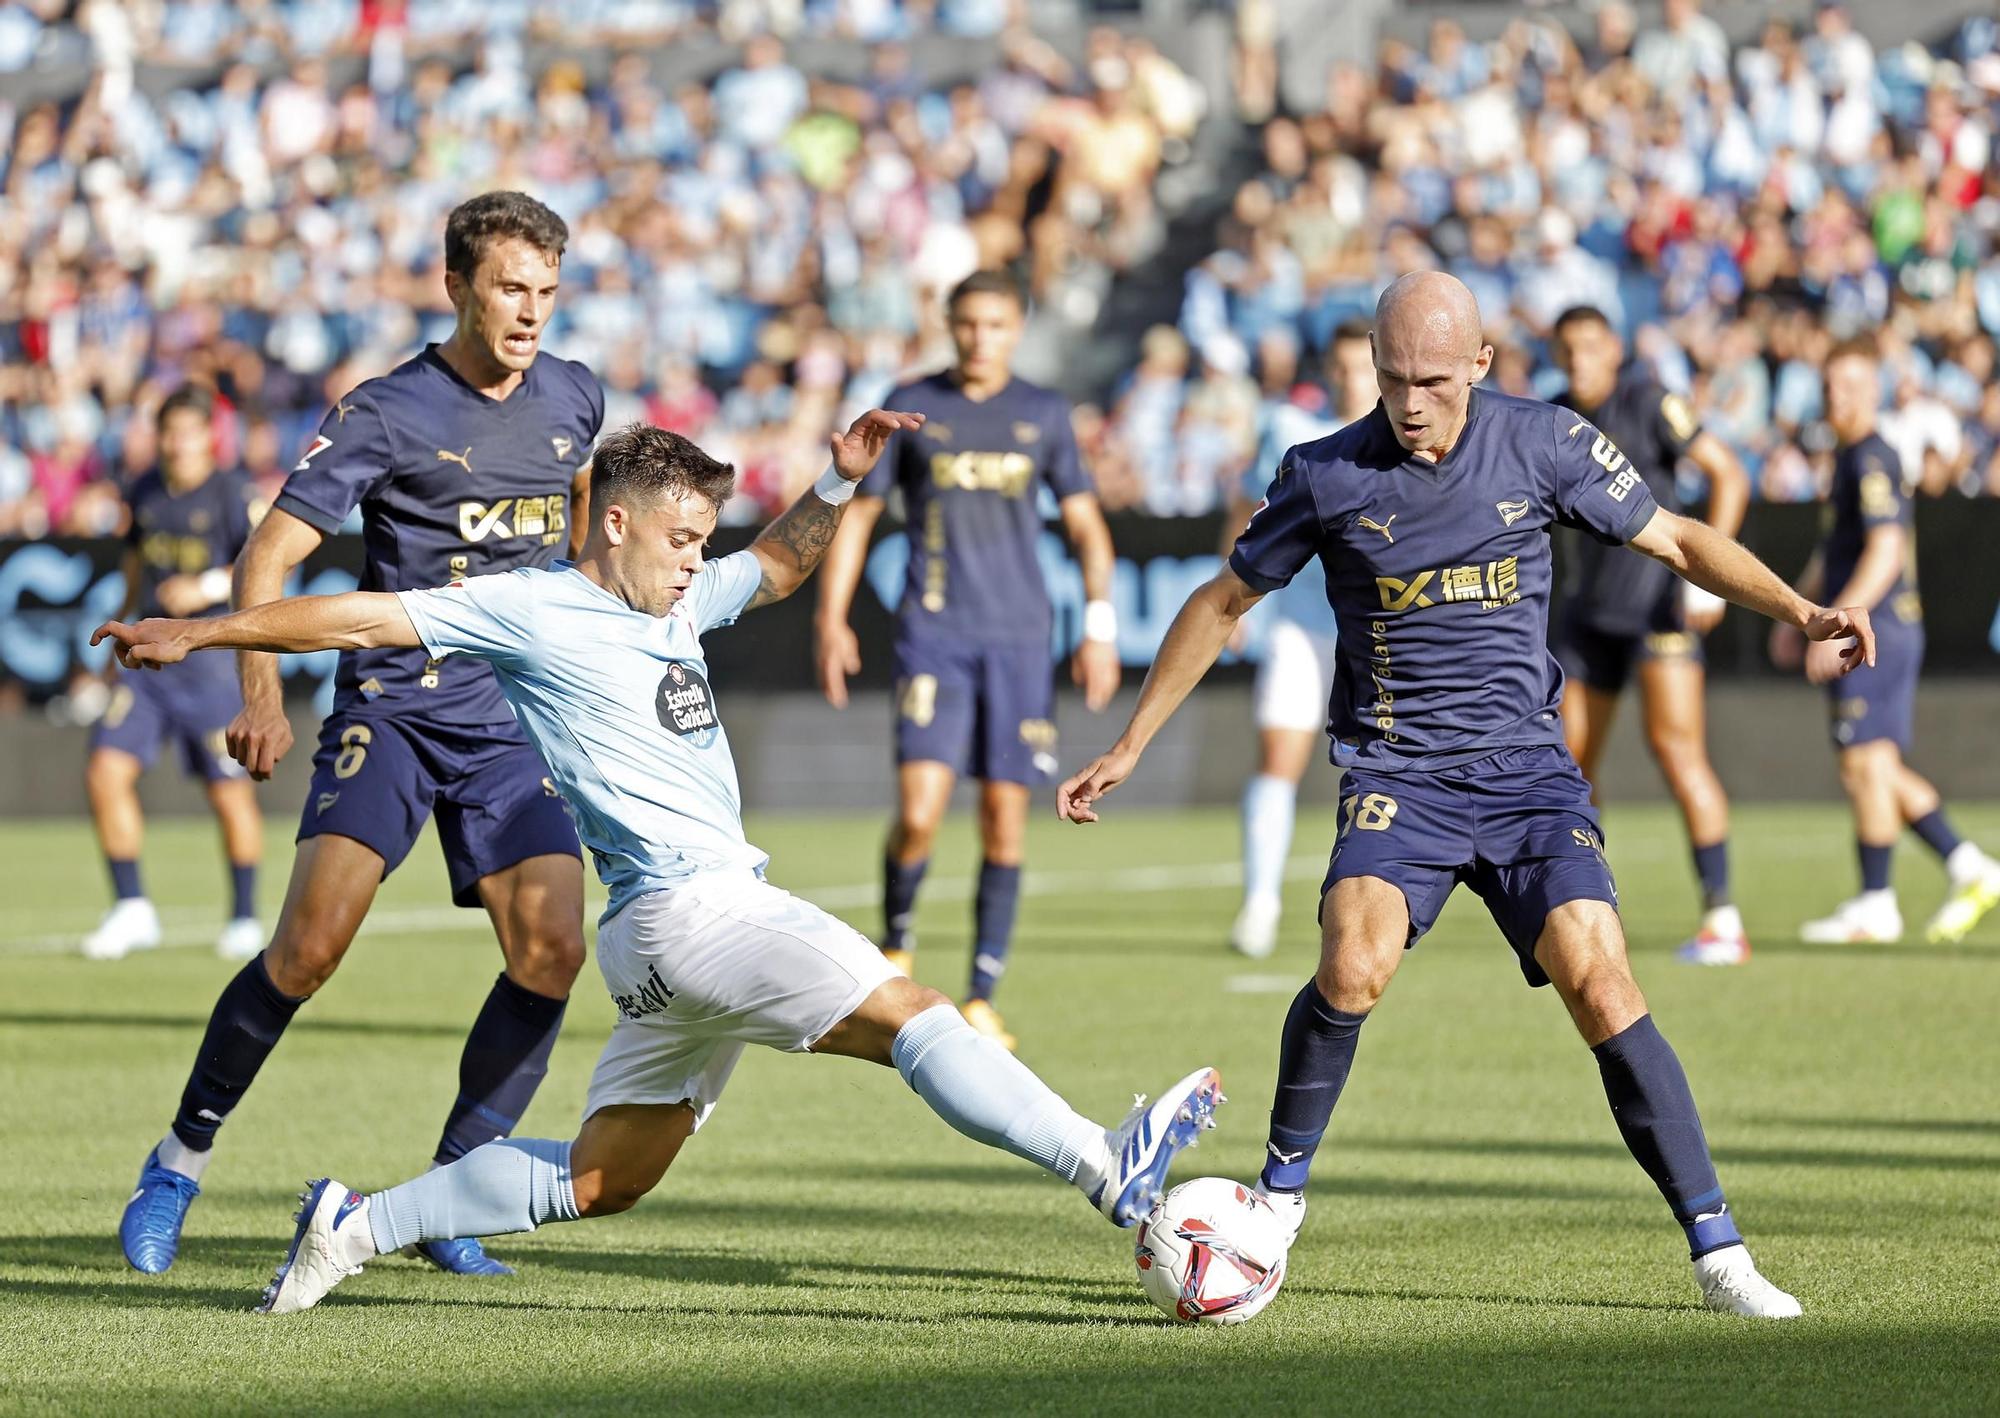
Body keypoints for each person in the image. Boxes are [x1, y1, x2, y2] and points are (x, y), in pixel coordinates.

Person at [94, 415, 1223, 1317]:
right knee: (913, 1011)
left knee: (600, 1180)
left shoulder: (680, 600)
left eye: (701, 540)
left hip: (655, 937)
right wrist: (204, 633)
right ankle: (1104, 1166)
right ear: (617, 520)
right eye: (681, 539)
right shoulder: (530, 605)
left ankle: (356, 1223)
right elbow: (360, 618)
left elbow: (776, 567)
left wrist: (833, 486)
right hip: (698, 909)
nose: (697, 561)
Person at [1058, 272, 1877, 1318]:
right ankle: (1275, 1199)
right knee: (1351, 964)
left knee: (1601, 980)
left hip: (1529, 771)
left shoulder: (1544, 442)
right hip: (1399, 773)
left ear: (1480, 366)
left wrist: (1801, 609)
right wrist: (1131, 739)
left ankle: (1718, 1252)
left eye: (1434, 381)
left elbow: (1675, 536)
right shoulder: (1323, 471)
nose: (1410, 403)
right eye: (1391, 378)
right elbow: (1223, 599)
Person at [116, 192, 602, 1279]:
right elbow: (269, 555)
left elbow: (571, 533)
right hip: (391, 708)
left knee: (554, 947)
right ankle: (177, 1161)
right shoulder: (386, 409)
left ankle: (449, 1193)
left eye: (546, 292)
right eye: (510, 289)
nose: (530, 312)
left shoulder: (575, 394)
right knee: (307, 949)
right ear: (457, 287)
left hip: (510, 723)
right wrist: (258, 692)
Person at [813, 270, 1121, 1051]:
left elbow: (1087, 528)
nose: (981, 338)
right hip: (935, 636)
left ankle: (982, 994)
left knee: (1003, 823)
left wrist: (1099, 625)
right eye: (968, 324)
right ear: (950, 325)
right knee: (919, 813)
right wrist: (832, 615)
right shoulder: (915, 404)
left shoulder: (1043, 413)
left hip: (1020, 642)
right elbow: (862, 514)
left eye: (995, 325)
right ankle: (896, 943)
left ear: (1016, 329)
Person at [1546, 306, 1755, 966]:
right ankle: (1594, 909)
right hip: (1587, 615)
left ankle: (1722, 916)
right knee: (1570, 766)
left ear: (1613, 349)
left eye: (1589, 346)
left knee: (1677, 751)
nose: (1579, 359)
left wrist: (1703, 579)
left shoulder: (1651, 402)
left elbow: (1728, 473)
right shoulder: (1551, 420)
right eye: (1567, 348)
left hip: (1659, 608)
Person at [1779, 337, 2000, 945]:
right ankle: (1970, 866)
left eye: (1851, 386)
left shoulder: (1871, 457)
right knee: (1877, 763)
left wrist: (1842, 621)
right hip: (1884, 624)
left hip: (1881, 628)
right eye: (1829, 387)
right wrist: (1795, 612)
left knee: (1864, 763)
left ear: (1875, 391)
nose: (1838, 398)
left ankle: (1878, 903)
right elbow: (1836, 549)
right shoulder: (1850, 457)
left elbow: (1886, 547)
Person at [81, 386, 265, 964]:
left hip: (208, 662)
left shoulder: (233, 492)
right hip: (147, 661)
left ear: (209, 433)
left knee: (227, 792)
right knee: (104, 770)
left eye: (188, 430)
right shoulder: (144, 490)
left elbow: (266, 560)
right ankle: (132, 906)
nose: (177, 441)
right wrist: (119, 633)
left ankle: (243, 916)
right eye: (168, 430)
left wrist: (207, 587)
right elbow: (135, 566)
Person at [1221, 321, 1370, 958]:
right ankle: (1260, 901)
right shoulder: (1288, 432)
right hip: (1300, 623)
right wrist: (1234, 601)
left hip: (1375, 627)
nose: (1348, 377)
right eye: (1338, 365)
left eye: (1358, 365)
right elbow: (1245, 509)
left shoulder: (1403, 435)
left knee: (1384, 771)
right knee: (1278, 759)